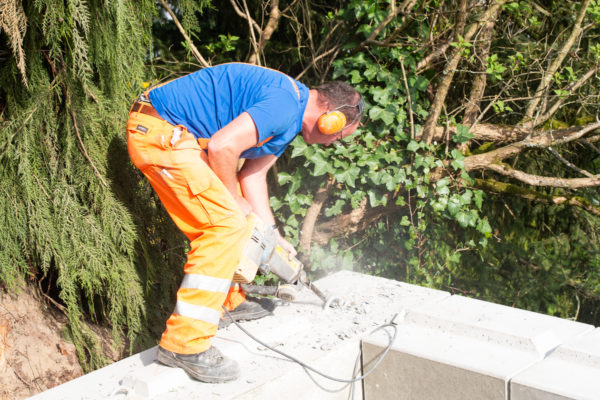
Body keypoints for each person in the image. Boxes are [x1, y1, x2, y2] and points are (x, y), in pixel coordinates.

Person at [126, 62, 363, 383]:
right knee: (225, 226)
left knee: (240, 222)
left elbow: (252, 176)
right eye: (340, 134)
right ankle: (184, 343)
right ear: (329, 117)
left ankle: (230, 300)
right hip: (162, 131)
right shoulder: (283, 105)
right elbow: (223, 147)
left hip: (183, 139)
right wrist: (236, 205)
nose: (334, 142)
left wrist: (273, 236)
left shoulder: (290, 118)